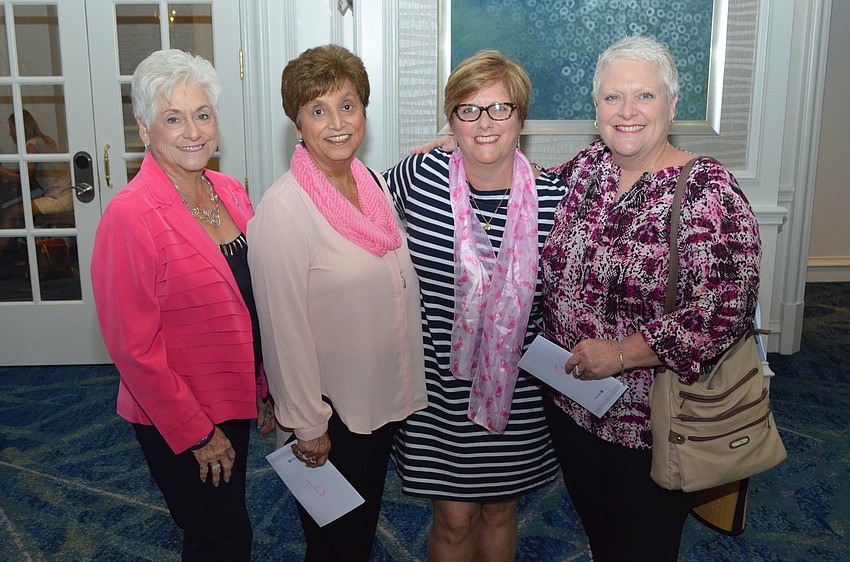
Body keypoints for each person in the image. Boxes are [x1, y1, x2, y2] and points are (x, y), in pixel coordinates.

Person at [540, 35, 762, 561]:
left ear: (672, 104)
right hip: (574, 404)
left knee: (642, 546)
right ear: (595, 107)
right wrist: (457, 148)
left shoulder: (708, 189)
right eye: (613, 97)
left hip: (653, 422)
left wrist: (619, 354)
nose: (628, 111)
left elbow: (723, 310)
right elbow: (522, 192)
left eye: (645, 96)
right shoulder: (589, 168)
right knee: (599, 533)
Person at [91, 49, 274, 562]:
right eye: (172, 118)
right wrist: (197, 434)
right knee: (224, 540)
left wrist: (262, 385)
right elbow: (133, 349)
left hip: (230, 396)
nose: (192, 130)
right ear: (145, 130)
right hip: (178, 415)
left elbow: (248, 300)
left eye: (202, 114)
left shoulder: (230, 192)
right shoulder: (130, 215)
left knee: (217, 530)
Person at [247, 44, 427, 562]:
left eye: (347, 105)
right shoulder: (285, 209)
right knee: (337, 547)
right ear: (297, 123)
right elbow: (283, 330)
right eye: (318, 110)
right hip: (329, 416)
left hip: (374, 402)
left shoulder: (368, 186)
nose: (336, 123)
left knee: (355, 537)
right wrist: (307, 424)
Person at [384, 50, 562, 562]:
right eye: (469, 109)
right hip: (440, 389)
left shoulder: (554, 198)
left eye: (500, 108)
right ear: (451, 118)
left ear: (521, 118)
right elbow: (349, 195)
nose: (485, 123)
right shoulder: (418, 180)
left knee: (501, 510)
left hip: (519, 392)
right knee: (454, 516)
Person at [0, 110, 73, 252]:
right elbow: (29, 169)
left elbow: (24, 177)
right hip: (66, 194)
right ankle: (27, 254)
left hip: (58, 198)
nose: (10, 133)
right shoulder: (45, 139)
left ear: (21, 128)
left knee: (10, 213)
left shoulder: (32, 144)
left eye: (11, 128)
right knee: (19, 217)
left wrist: (3, 171)